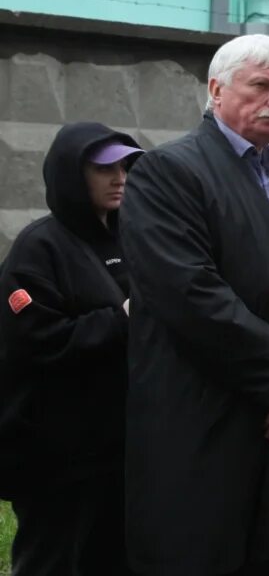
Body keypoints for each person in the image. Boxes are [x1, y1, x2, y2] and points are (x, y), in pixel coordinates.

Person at [120, 34, 269, 576]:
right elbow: (190, 295)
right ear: (216, 91)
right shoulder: (167, 172)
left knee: (266, 555)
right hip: (201, 418)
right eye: (261, 86)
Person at [0, 123, 143, 576]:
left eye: (124, 165)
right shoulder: (38, 249)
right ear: (70, 174)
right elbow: (35, 342)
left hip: (121, 452)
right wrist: (120, 319)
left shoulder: (131, 238)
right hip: (56, 460)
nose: (119, 177)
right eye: (104, 168)